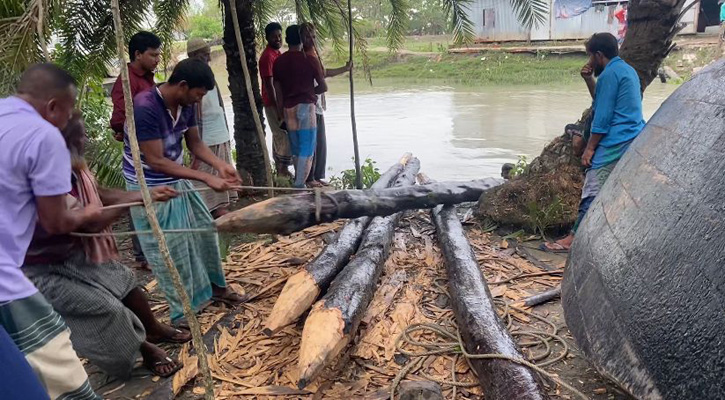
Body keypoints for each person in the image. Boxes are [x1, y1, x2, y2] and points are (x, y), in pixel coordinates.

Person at [24, 112, 192, 379]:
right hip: (38, 269)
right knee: (106, 308)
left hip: (71, 251)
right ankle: (144, 348)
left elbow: (99, 193)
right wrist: (136, 201)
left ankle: (153, 329)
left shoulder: (71, 166)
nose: (85, 140)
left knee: (124, 280)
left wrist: (142, 194)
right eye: (78, 137)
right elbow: (89, 223)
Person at [0, 63, 102, 400]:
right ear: (53, 107)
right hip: (5, 279)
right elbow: (55, 222)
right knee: (63, 374)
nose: (68, 120)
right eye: (69, 111)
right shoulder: (44, 136)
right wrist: (88, 212)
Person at [125, 58, 245, 325]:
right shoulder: (145, 107)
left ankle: (215, 287)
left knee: (205, 230)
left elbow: (196, 144)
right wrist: (205, 177)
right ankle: (184, 311)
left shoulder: (185, 104)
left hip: (175, 178)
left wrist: (220, 166)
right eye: (199, 94)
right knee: (170, 248)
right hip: (150, 185)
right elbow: (155, 160)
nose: (199, 101)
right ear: (182, 85)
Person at [542, 33, 645, 253]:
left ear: (599, 55)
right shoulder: (626, 70)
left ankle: (573, 240)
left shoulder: (609, 75)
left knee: (592, 188)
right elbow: (600, 101)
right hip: (633, 134)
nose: (589, 61)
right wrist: (589, 80)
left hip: (616, 139)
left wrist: (589, 149)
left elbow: (603, 116)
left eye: (590, 56)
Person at [110, 31, 162, 269]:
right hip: (137, 146)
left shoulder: (148, 78)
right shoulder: (126, 81)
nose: (157, 59)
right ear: (137, 54)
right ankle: (143, 255)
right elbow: (122, 116)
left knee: (151, 195)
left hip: (150, 141)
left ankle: (154, 247)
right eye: (152, 55)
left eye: (158, 54)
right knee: (138, 195)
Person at [186, 38, 239, 218]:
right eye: (203, 55)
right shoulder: (191, 79)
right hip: (205, 137)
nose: (208, 59)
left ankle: (219, 207)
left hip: (219, 133)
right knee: (204, 173)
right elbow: (193, 114)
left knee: (221, 171)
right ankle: (203, 210)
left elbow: (219, 106)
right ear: (193, 56)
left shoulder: (209, 77)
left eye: (208, 55)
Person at [272, 25, 328, 188]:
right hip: (306, 106)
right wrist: (310, 92)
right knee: (307, 148)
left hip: (288, 108)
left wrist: (280, 111)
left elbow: (278, 89)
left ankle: (300, 183)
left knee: (296, 147)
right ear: (302, 40)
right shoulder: (310, 60)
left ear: (287, 40)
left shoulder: (279, 61)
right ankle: (299, 185)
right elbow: (323, 87)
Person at [299, 22, 352, 187]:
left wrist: (345, 68)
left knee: (321, 142)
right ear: (301, 38)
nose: (312, 40)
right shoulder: (304, 57)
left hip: (317, 105)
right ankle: (310, 178)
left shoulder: (314, 56)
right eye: (308, 36)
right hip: (310, 105)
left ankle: (316, 175)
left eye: (314, 36)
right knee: (313, 143)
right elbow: (320, 83)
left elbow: (324, 73)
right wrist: (310, 93)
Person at [259, 22, 293, 178]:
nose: (278, 39)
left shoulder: (277, 54)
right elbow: (269, 85)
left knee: (279, 134)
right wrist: (278, 109)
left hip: (280, 102)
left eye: (280, 36)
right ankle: (282, 171)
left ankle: (281, 169)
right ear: (267, 38)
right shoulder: (267, 57)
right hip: (272, 103)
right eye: (274, 37)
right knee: (281, 134)